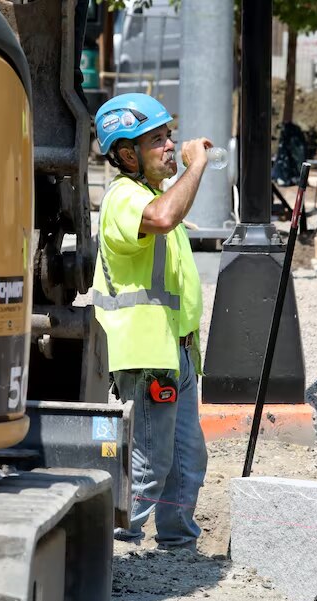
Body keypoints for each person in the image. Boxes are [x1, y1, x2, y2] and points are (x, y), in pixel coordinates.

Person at [91, 93, 212, 551]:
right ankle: (115, 545)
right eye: (157, 139)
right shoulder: (125, 198)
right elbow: (162, 219)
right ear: (126, 154)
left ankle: (178, 544)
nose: (170, 146)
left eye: (169, 136)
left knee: (185, 458)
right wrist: (196, 167)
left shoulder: (152, 195)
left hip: (175, 350)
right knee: (147, 460)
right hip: (145, 354)